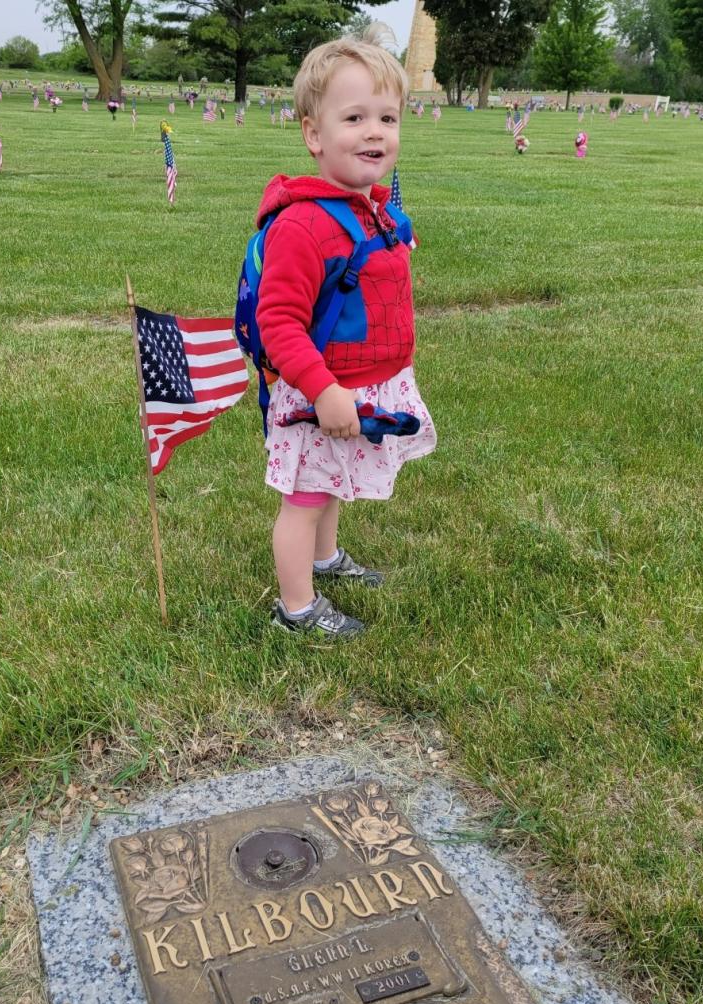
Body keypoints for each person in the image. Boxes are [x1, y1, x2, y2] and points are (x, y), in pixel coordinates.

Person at [254, 35, 437, 638]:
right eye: (354, 118)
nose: (374, 132)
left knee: (335, 484)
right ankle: (297, 608)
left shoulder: (374, 210)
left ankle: (327, 561)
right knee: (304, 500)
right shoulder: (304, 224)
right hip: (318, 393)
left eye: (387, 118)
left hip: (359, 389)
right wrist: (323, 389)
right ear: (313, 134)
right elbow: (277, 322)